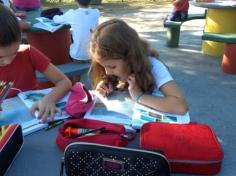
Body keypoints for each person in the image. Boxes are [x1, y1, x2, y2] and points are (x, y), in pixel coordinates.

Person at [90, 19, 188, 115]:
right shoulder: (116, 67)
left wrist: (139, 96)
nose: (107, 72)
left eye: (112, 67)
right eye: (104, 66)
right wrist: (105, 85)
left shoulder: (154, 65)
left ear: (130, 58)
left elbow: (180, 106)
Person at [0, 4, 72, 121]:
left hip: (35, 116)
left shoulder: (28, 52)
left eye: (14, 52)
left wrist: (49, 100)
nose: (8, 61)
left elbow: (64, 81)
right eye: (0, 57)